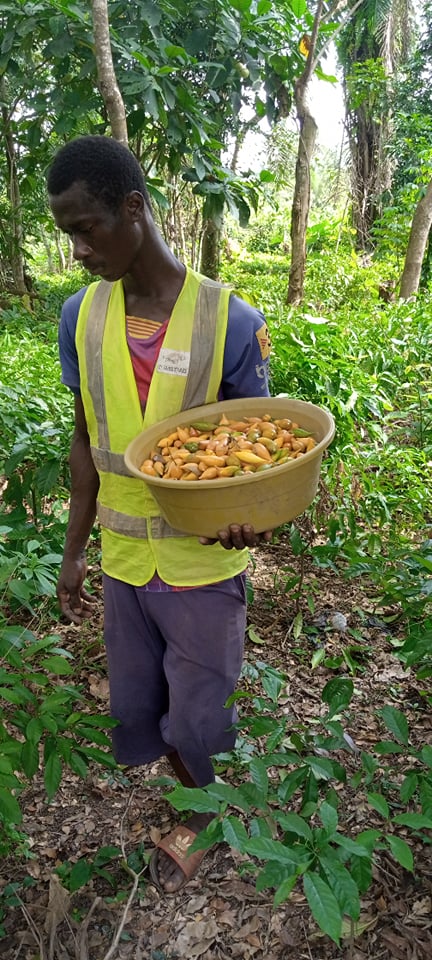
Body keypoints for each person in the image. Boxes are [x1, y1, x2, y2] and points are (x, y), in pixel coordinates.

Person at [47, 135, 271, 893]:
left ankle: (213, 818)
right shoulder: (80, 316)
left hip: (201, 565)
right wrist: (73, 553)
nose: (77, 249)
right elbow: (85, 443)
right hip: (123, 561)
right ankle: (198, 798)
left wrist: (253, 519)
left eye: (86, 228)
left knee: (203, 709)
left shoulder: (229, 320)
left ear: (134, 209)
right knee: (144, 703)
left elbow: (260, 454)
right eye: (66, 234)